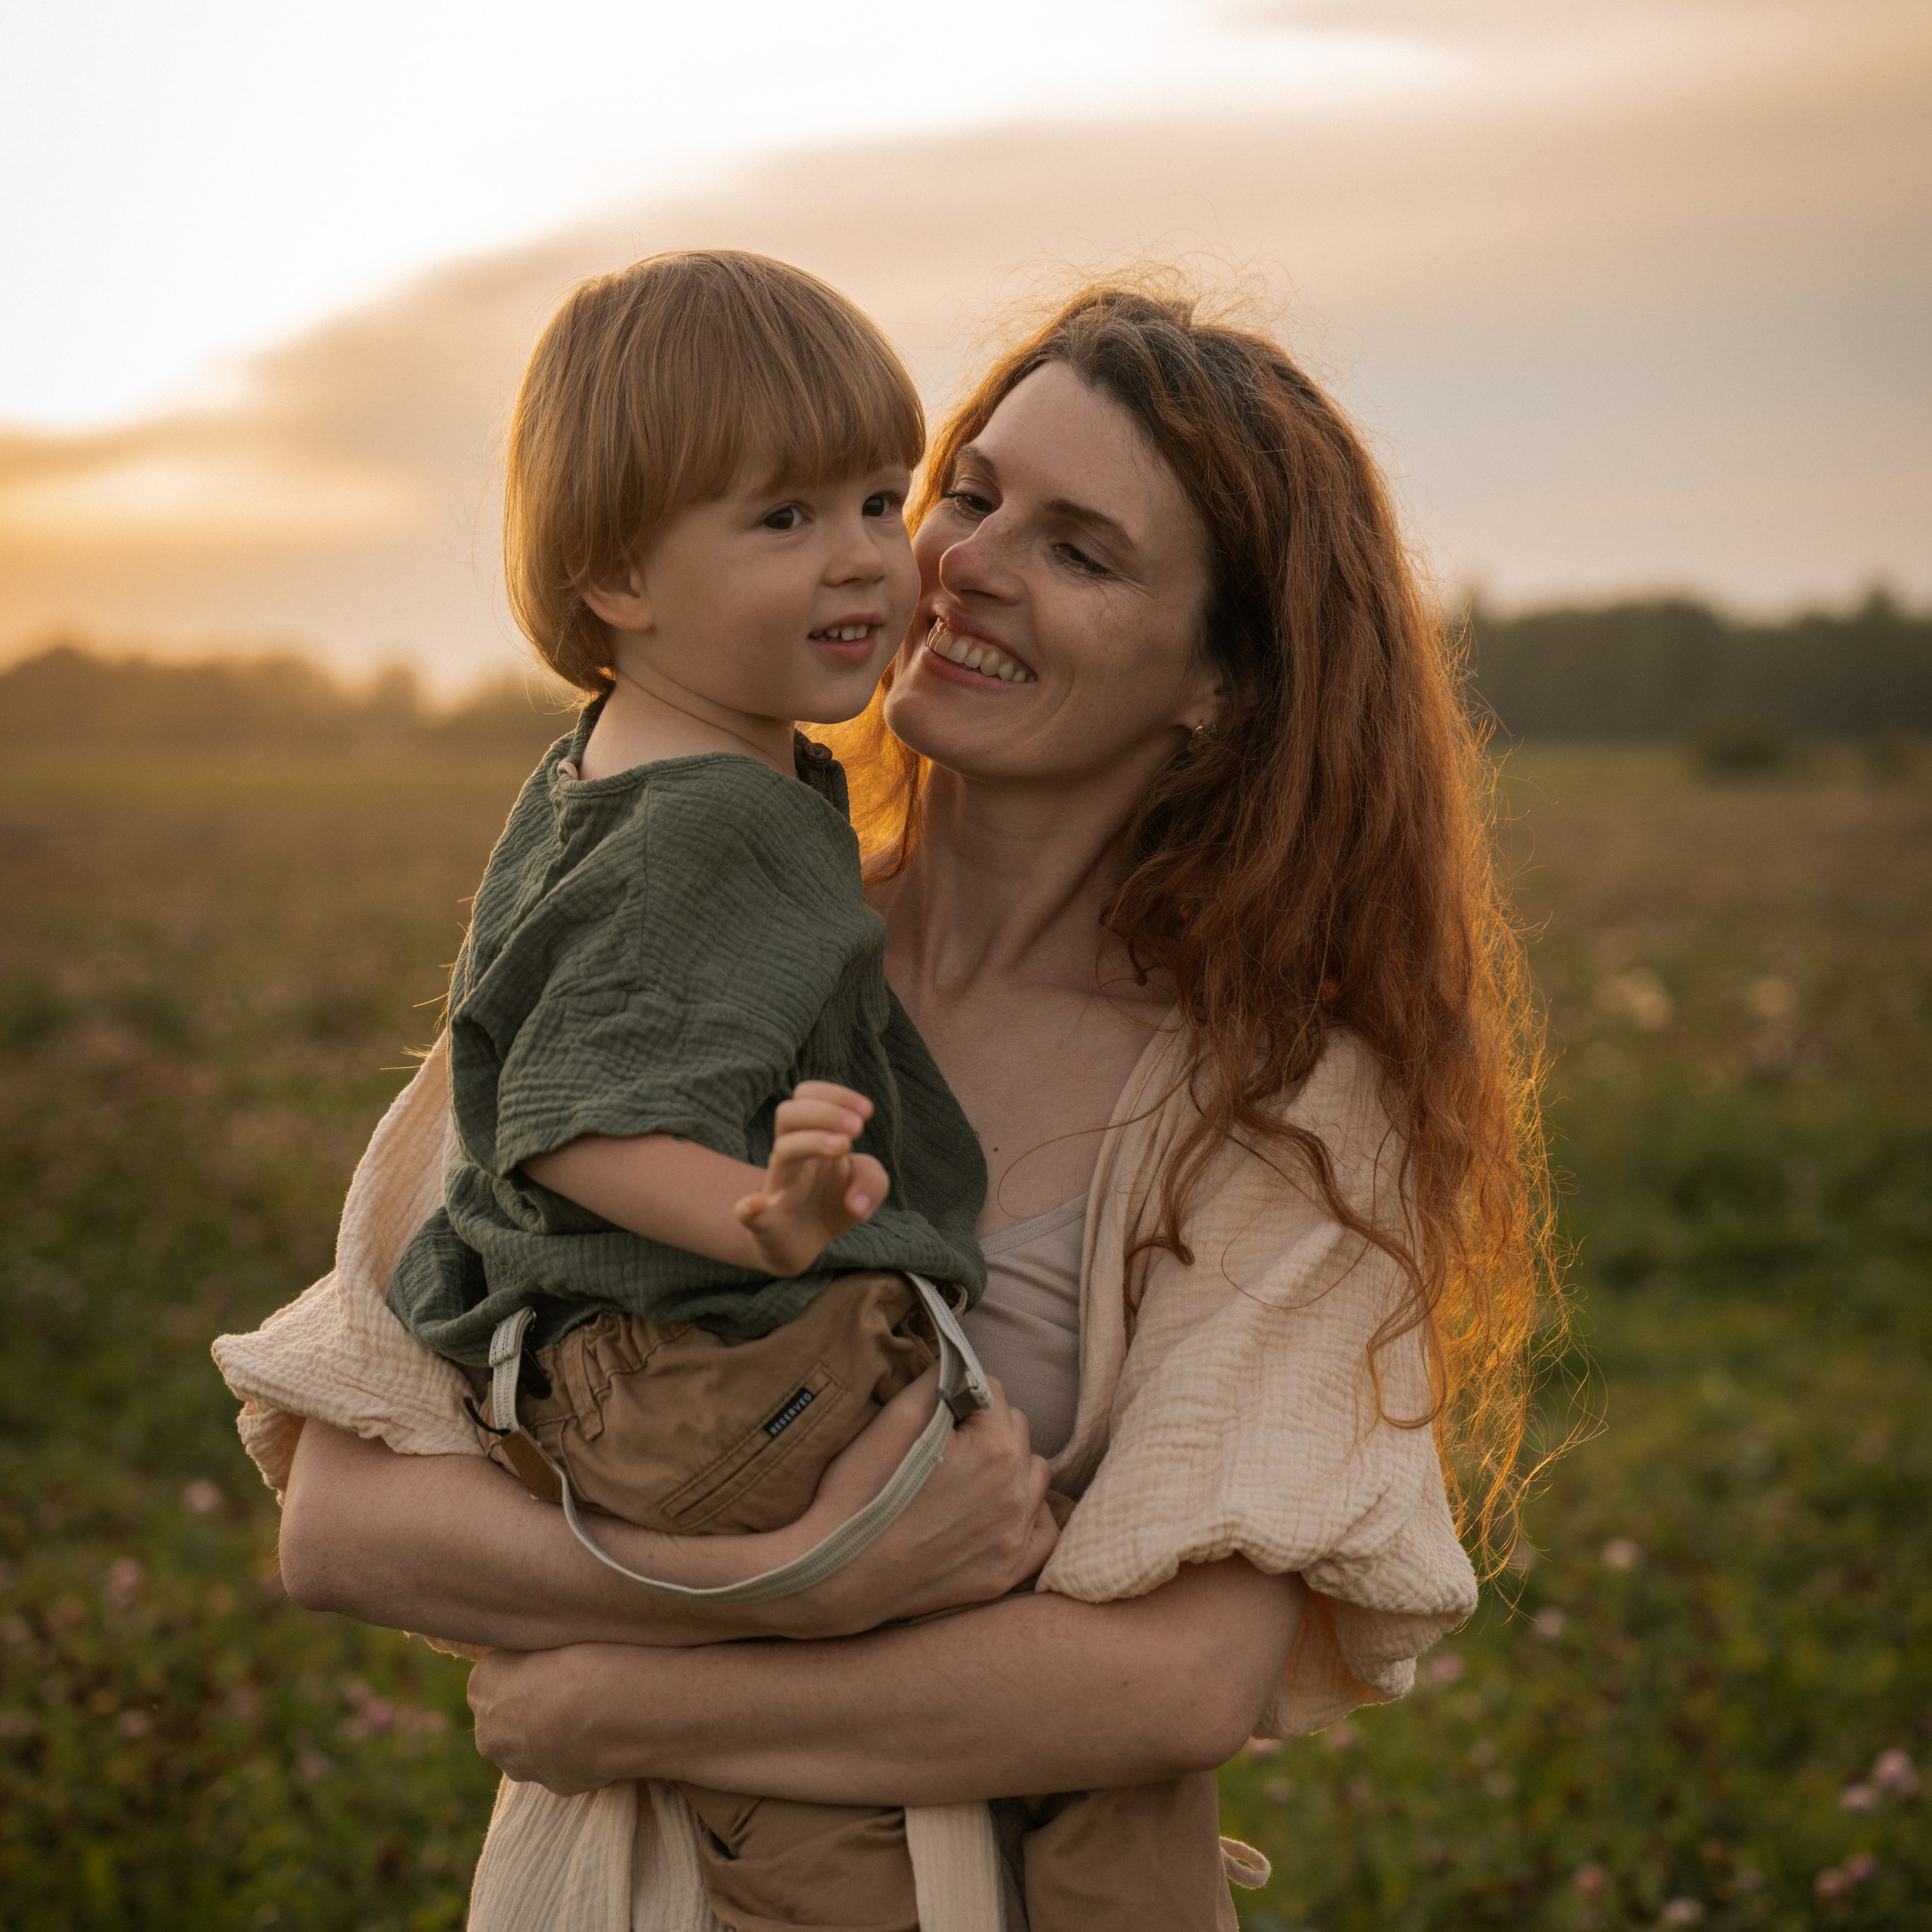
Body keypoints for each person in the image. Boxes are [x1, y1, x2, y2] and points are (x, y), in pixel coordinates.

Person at [217, 273, 1551, 1932]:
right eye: (968, 495)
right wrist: (789, 1581)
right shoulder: (667, 933)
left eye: (1077, 547)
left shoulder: (1283, 1099)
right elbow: (347, 1519)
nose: (959, 561)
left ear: (1222, 683)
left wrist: (623, 1695)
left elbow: (1175, 1682)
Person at [365, 247, 1236, 1930]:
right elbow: (570, 1111)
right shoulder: (722, 818)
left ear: (1220, 677)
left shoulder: (627, 775)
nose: (889, 560)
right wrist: (760, 1221)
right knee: (871, 1816)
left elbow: (1193, 1678)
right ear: (616, 570)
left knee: (1103, 1736)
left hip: (657, 1364)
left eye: (872, 495)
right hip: (698, 1365)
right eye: (784, 520)